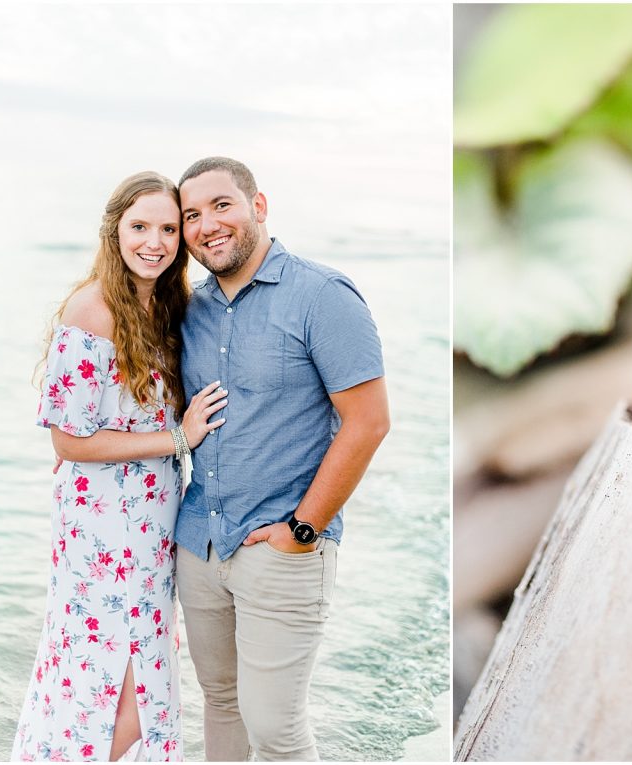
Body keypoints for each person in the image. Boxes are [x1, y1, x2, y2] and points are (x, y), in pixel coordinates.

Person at [175, 157, 390, 761]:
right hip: (199, 543)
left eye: (222, 205)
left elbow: (369, 422)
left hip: (283, 548)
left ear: (258, 205)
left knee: (276, 729)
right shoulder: (191, 310)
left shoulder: (322, 295)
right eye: (192, 215)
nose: (207, 225)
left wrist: (302, 530)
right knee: (220, 705)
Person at [12, 171, 228, 762]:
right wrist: (176, 440)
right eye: (139, 227)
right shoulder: (93, 310)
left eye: (166, 228)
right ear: (115, 232)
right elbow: (68, 442)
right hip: (104, 523)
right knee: (118, 675)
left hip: (154, 518)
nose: (154, 242)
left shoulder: (162, 306)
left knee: (143, 662)